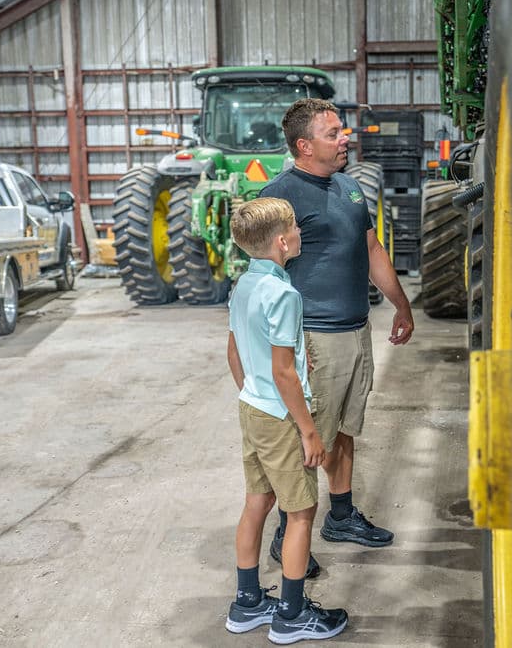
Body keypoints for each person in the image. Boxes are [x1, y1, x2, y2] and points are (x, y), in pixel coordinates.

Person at [260, 98, 415, 577]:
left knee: (345, 430)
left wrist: (402, 304)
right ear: (305, 146)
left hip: (353, 330)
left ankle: (342, 516)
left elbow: (370, 248)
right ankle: (290, 536)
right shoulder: (280, 197)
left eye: (342, 131)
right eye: (333, 133)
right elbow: (263, 281)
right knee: (310, 442)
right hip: (314, 339)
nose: (345, 138)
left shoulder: (349, 188)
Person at [224, 197, 348, 643]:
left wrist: (250, 389)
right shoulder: (284, 294)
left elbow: (235, 351)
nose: (299, 233)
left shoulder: (242, 287)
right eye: (295, 227)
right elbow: (284, 372)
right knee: (301, 511)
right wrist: (308, 431)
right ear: (282, 241)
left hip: (252, 407)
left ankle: (248, 602)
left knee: (257, 501)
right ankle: (292, 615)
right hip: (279, 416)